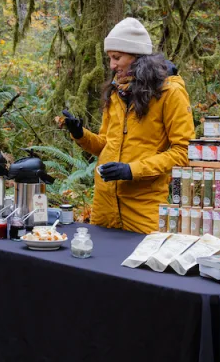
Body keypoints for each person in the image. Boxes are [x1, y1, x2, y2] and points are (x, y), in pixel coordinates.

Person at [60, 17, 194, 234]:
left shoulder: (170, 93)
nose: (112, 65)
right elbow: (106, 145)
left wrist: (131, 170)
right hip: (104, 207)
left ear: (138, 57)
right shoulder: (116, 91)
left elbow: (183, 152)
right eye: (110, 58)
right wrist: (80, 134)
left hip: (143, 209)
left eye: (117, 57)